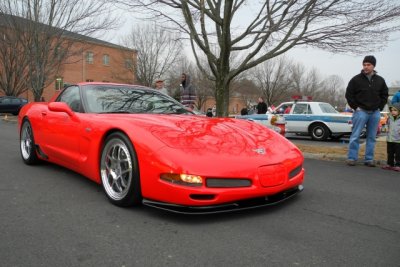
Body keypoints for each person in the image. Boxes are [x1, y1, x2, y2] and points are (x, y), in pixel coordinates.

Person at [345, 55, 389, 167]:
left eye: (368, 64)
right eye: (364, 64)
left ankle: (369, 159)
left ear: (373, 66)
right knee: (355, 136)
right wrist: (356, 107)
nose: (366, 67)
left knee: (372, 137)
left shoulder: (380, 80)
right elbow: (349, 95)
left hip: (375, 113)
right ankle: (351, 158)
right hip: (361, 112)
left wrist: (380, 106)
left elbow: (384, 94)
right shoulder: (356, 80)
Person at [382, 103, 400, 171]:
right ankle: (390, 164)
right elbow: (387, 125)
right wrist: (386, 128)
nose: (393, 112)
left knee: (398, 154)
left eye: (395, 110)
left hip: (398, 140)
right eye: (392, 110)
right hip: (390, 139)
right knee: (390, 153)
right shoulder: (389, 118)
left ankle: (398, 165)